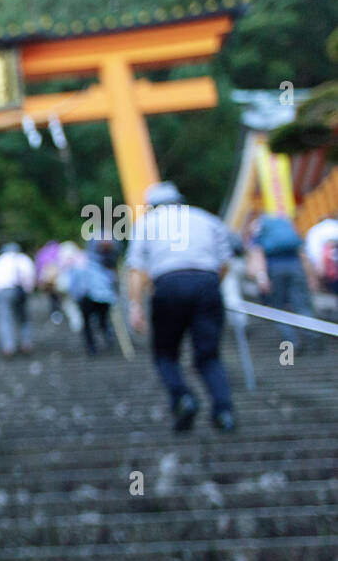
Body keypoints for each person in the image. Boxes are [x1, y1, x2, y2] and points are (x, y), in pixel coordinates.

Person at [126, 182, 238, 432]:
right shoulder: (206, 219)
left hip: (167, 285)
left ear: (152, 205)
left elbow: (136, 269)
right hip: (206, 283)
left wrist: (135, 305)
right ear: (180, 199)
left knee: (166, 354)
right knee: (208, 355)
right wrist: (209, 287)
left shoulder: (146, 224)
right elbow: (225, 262)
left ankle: (182, 397)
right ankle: (224, 412)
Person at [245, 210, 318, 348]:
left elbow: (257, 253)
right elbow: (302, 253)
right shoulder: (286, 226)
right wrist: (311, 277)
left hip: (274, 269)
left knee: (279, 307)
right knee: (302, 305)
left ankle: (291, 343)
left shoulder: (259, 227)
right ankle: (313, 336)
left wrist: (261, 277)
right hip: (296, 268)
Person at [0, 242, 36, 357]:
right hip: (20, 290)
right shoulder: (22, 259)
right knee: (23, 318)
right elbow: (29, 274)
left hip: (3, 292)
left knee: (4, 319)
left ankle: (9, 347)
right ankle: (26, 343)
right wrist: (28, 289)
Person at [68, 233, 119, 355]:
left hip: (91, 296)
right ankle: (101, 341)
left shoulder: (87, 260)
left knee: (93, 322)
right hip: (94, 296)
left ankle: (94, 346)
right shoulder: (103, 263)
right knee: (98, 321)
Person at [304, 216, 338, 296]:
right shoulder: (335, 225)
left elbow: (314, 253)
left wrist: (318, 272)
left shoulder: (315, 230)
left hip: (330, 270)